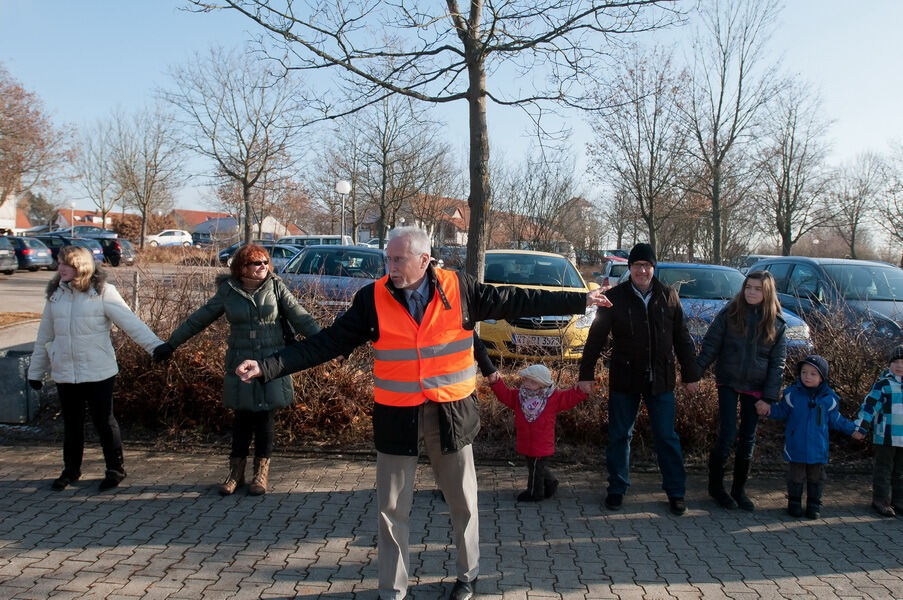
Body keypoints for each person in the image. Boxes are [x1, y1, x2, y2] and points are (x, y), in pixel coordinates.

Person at [234, 226, 611, 600]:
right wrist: (269, 366)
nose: (390, 266)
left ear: (424, 260)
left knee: (462, 502)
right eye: (388, 257)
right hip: (397, 417)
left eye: (398, 259)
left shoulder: (460, 289)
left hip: (451, 416)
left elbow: (515, 299)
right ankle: (392, 588)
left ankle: (468, 575)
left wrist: (580, 300)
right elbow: (327, 343)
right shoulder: (373, 299)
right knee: (391, 510)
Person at [153, 244, 321, 496]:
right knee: (242, 418)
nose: (263, 266)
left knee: (265, 418)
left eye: (265, 262)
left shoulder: (276, 287)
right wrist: (171, 343)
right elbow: (199, 318)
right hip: (239, 362)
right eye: (257, 263)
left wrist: (328, 344)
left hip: (271, 363)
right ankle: (235, 475)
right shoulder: (228, 291)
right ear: (242, 267)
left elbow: (301, 317)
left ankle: (260, 475)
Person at [27, 246, 167, 492]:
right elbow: (44, 337)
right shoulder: (55, 296)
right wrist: (35, 372)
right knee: (72, 424)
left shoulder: (102, 292)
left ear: (81, 267)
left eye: (66, 265)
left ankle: (115, 469)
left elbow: (130, 322)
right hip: (65, 372)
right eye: (60, 263)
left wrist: (155, 346)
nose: (60, 269)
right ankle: (71, 470)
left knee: (104, 422)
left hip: (99, 371)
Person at [578, 242, 700, 516]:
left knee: (667, 437)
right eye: (636, 266)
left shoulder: (668, 296)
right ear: (630, 268)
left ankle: (676, 493)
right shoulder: (616, 297)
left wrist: (691, 374)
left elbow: (681, 338)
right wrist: (585, 374)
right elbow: (596, 337)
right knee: (620, 435)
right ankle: (617, 489)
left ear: (654, 268)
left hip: (661, 379)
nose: (642, 271)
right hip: (625, 377)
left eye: (646, 266)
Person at [696, 271, 787, 511]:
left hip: (756, 388)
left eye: (757, 288)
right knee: (727, 435)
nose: (751, 292)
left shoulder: (777, 323)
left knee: (747, 438)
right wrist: (693, 373)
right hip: (728, 381)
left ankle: (739, 490)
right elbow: (711, 345)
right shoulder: (730, 313)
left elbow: (777, 364)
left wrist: (768, 397)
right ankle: (716, 488)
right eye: (748, 287)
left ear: (766, 292)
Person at [758, 355, 865, 519]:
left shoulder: (829, 399)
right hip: (796, 446)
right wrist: (768, 410)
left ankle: (814, 505)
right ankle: (794, 503)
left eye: (813, 374)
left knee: (816, 477)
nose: (807, 376)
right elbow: (781, 411)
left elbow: (837, 420)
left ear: (822, 378)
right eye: (804, 372)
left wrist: (853, 430)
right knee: (795, 476)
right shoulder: (792, 394)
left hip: (818, 448)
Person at [484, 363, 586, 502]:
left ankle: (534, 493)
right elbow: (505, 395)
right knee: (536, 466)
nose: (527, 383)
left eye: (533, 381)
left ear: (542, 384)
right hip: (526, 440)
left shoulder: (552, 397)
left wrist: (580, 390)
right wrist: (496, 382)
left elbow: (568, 399)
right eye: (526, 379)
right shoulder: (520, 396)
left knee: (535, 469)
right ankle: (550, 483)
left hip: (542, 441)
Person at [852, 344, 903, 517]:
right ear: (889, 364)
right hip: (885, 436)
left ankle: (899, 501)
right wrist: (861, 427)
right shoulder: (883, 385)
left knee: (900, 472)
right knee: (883, 469)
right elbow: (869, 407)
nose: (899, 365)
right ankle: (880, 500)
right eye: (895, 361)